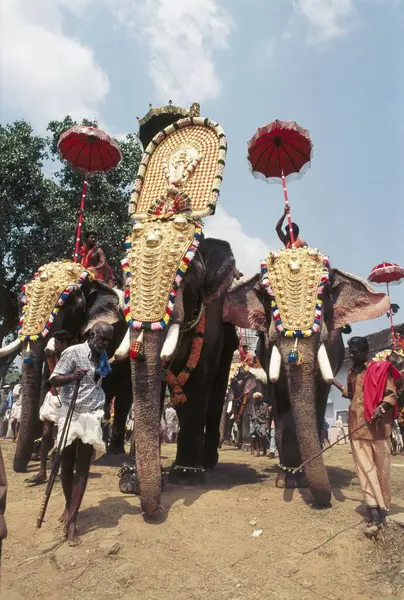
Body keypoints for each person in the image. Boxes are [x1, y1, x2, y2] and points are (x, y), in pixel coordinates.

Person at [50, 321, 113, 546]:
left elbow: (101, 383)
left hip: (91, 415)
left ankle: (73, 520)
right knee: (67, 465)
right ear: (91, 334)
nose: (104, 343)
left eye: (108, 340)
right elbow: (53, 379)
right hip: (70, 411)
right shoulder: (72, 352)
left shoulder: (103, 358)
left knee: (83, 468)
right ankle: (69, 505)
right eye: (102, 338)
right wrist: (72, 376)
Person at [333, 336, 400, 535]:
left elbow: (391, 394)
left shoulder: (380, 370)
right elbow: (351, 394)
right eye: (350, 352)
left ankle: (382, 505)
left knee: (381, 470)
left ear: (365, 351)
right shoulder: (352, 372)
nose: (351, 356)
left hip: (378, 429)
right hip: (357, 427)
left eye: (355, 352)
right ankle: (374, 510)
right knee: (364, 471)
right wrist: (333, 382)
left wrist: (382, 407)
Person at [25, 331, 72, 485]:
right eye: (56, 341)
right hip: (52, 398)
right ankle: (42, 472)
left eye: (59, 342)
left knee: (61, 439)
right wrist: (54, 342)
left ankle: (57, 471)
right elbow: (49, 347)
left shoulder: (72, 357)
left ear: (65, 343)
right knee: (46, 434)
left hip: (66, 400)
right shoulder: (51, 355)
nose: (56, 344)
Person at [248, 392, 271, 457]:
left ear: (261, 398)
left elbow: (267, 416)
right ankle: (256, 451)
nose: (257, 399)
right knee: (255, 437)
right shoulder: (252, 405)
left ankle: (264, 450)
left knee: (263, 436)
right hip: (254, 423)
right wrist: (251, 421)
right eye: (256, 398)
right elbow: (250, 414)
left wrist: (267, 424)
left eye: (258, 398)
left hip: (263, 423)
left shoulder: (265, 405)